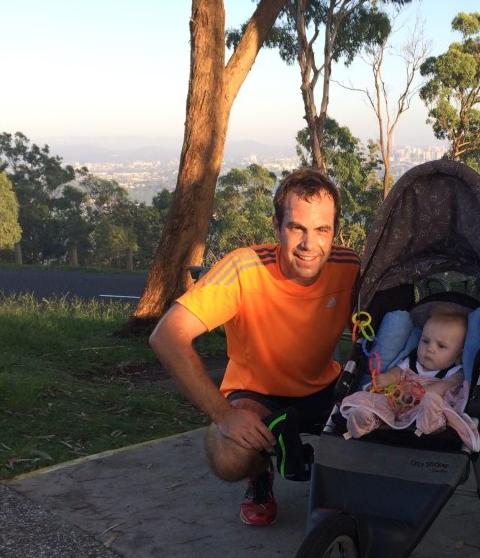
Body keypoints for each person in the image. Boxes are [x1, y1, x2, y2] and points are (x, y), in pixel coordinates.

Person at [149, 168, 360, 526]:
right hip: (257, 394)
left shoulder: (349, 266)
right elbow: (166, 336)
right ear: (277, 228)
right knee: (229, 457)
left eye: (322, 229)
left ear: (334, 231)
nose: (310, 244)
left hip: (323, 386)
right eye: (297, 228)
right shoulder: (243, 269)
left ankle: (335, 485)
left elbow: (372, 331)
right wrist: (224, 415)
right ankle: (259, 474)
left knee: (378, 429)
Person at [341, 309, 469, 439]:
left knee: (435, 406)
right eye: (425, 341)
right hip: (398, 402)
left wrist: (423, 393)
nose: (430, 349)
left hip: (424, 407)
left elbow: (448, 385)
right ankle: (366, 420)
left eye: (441, 346)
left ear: (459, 354)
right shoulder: (413, 361)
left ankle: (430, 422)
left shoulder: (455, 371)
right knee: (379, 401)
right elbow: (398, 372)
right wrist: (388, 378)